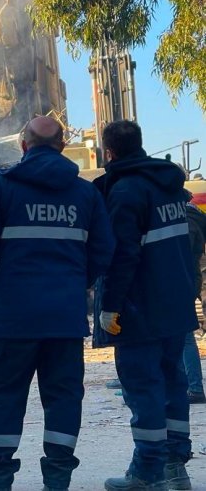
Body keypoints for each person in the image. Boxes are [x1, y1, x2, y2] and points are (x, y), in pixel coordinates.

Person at [0, 116, 114, 491]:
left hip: (14, 317)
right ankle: (57, 480)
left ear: (23, 145)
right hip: (64, 317)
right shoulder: (84, 194)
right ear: (63, 146)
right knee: (64, 397)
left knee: (5, 396)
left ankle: (0, 479)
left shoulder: (2, 187)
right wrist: (77, 284)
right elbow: (104, 249)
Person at [94, 121, 198, 491]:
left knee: (144, 388)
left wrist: (110, 305)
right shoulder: (171, 188)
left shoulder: (126, 191)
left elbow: (122, 256)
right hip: (175, 305)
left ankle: (148, 472)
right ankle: (176, 468)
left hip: (140, 309)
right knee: (172, 384)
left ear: (109, 152)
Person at [184, 197, 206, 403]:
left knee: (184, 337)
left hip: (180, 283)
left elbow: (183, 253)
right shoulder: (194, 216)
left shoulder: (187, 219)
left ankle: (194, 387)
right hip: (188, 281)